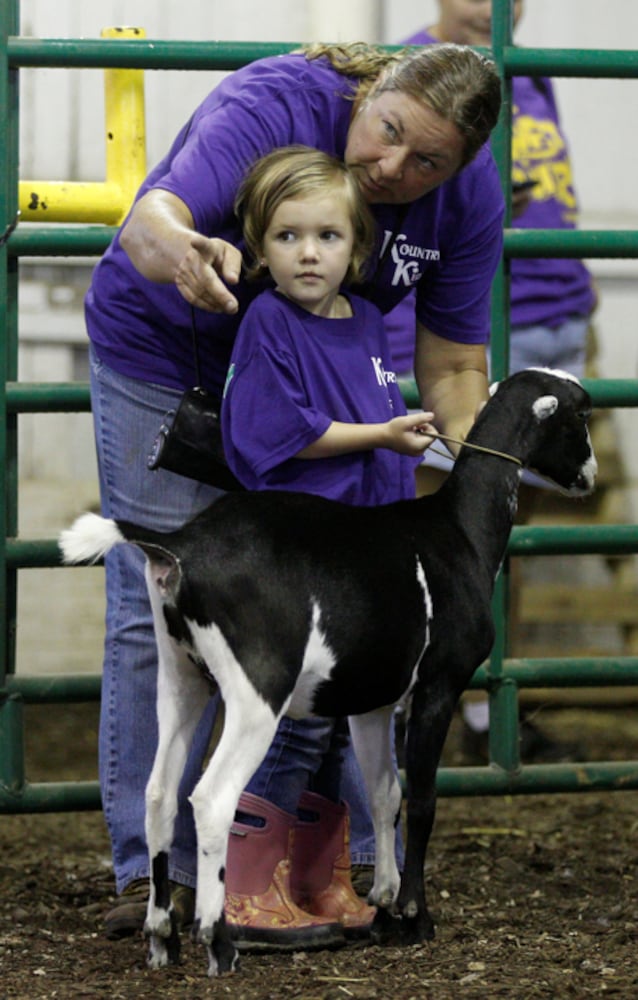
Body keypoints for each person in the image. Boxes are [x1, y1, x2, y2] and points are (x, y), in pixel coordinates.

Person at [84, 40, 504, 943]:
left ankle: (274, 866)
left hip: (320, 392)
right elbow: (150, 219)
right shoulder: (275, 105)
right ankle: (151, 869)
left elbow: (457, 360)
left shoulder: (466, 198)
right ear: (373, 91)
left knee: (324, 615)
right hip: (168, 351)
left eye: (427, 161)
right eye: (388, 133)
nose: (392, 169)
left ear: (461, 167)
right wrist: (181, 252)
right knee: (159, 595)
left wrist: (481, 488)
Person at [218, 145, 437, 946]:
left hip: (364, 555)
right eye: (286, 237)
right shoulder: (269, 322)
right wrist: (384, 432)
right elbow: (278, 433)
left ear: (359, 248)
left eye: (328, 237)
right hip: (301, 562)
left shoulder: (372, 322)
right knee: (295, 716)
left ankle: (320, 877)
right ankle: (249, 887)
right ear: (258, 244)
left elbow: (379, 423)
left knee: (352, 711)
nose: (308, 254)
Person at [380, 0, 597, 766]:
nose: (488, 5)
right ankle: (406, 695)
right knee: (424, 533)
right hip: (461, 338)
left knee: (501, 537)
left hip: (552, 319)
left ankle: (473, 708)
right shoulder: (411, 75)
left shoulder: (532, 72)